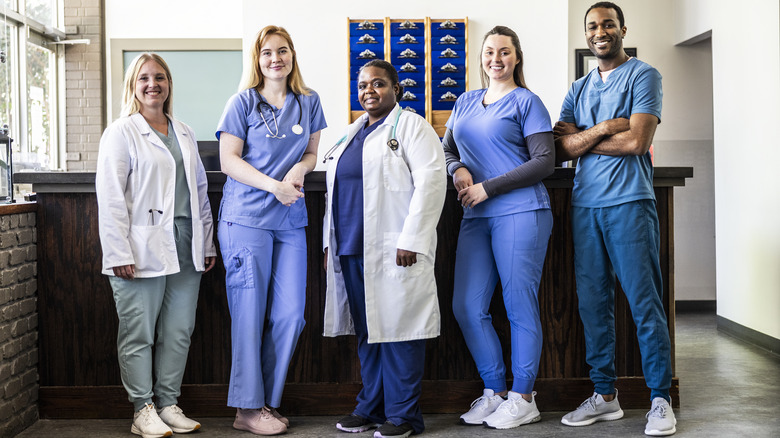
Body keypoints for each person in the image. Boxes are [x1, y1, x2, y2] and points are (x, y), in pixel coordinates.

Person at [553, 2, 676, 436]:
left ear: (622, 28)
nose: (600, 31)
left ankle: (660, 398)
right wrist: (605, 128)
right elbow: (559, 148)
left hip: (629, 203)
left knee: (645, 304)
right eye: (592, 26)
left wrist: (583, 139)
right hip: (586, 206)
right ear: (586, 34)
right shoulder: (578, 87)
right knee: (593, 305)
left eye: (608, 24)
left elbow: (638, 142)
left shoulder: (644, 75)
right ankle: (605, 396)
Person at [322, 59, 446, 438]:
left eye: (378, 84)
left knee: (401, 331)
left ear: (396, 88)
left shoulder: (411, 126)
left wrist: (412, 238)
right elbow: (336, 194)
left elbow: (431, 182)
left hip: (395, 248)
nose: (368, 92)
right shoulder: (352, 132)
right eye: (362, 86)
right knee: (368, 331)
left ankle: (405, 416)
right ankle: (371, 408)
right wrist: (331, 244)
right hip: (351, 248)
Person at [96, 52, 217, 438]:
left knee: (179, 330)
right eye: (144, 78)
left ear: (168, 85)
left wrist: (207, 242)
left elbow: (199, 191)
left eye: (160, 77)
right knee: (139, 332)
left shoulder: (182, 130)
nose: (153, 84)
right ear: (133, 85)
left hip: (186, 244)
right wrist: (117, 252)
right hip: (139, 247)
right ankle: (142, 408)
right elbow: (111, 196)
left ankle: (167, 403)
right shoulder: (122, 131)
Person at [442, 26, 555, 430]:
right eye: (489, 52)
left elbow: (544, 161)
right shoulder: (466, 101)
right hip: (477, 216)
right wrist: (458, 172)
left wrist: (487, 186)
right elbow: (448, 148)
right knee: (467, 306)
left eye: (504, 52)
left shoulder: (527, 101)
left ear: (516, 57)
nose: (496, 59)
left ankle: (524, 397)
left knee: (517, 303)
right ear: (481, 58)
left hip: (523, 212)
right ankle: (495, 392)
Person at [215, 25, 326, 436]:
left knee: (290, 316)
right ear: (257, 60)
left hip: (290, 221)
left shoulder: (309, 102)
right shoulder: (242, 102)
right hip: (245, 220)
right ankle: (246, 408)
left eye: (282, 51)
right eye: (266, 53)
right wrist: (274, 185)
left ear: (292, 55)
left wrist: (300, 168)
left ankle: (265, 402)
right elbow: (229, 160)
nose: (275, 59)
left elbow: (312, 151)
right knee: (248, 315)